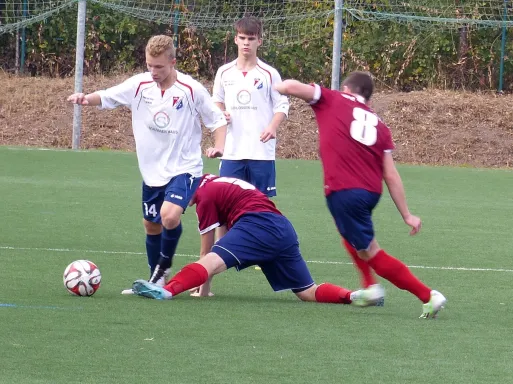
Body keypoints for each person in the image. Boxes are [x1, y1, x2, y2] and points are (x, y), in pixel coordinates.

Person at [274, 72, 446, 318]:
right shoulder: (380, 125)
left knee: (370, 252)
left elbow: (291, 86)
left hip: (345, 191)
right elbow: (391, 173)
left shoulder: (333, 98)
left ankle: (428, 296)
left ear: (346, 88)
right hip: (368, 192)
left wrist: (274, 85)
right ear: (368, 98)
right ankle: (369, 286)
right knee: (347, 230)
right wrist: (406, 214)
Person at [67, 35, 227, 294]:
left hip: (184, 167)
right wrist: (87, 99)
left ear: (173, 62)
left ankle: (163, 267)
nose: (153, 71)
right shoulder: (140, 85)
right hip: (152, 171)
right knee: (151, 225)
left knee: (169, 215)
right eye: (149, 65)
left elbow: (217, 120)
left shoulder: (190, 89)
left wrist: (219, 145)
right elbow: (109, 96)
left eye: (159, 67)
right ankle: (156, 282)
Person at [131, 174, 365, 305]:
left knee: (209, 261)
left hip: (256, 225)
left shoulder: (204, 196)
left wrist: (203, 291)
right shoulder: (216, 182)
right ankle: (353, 296)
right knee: (307, 292)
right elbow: (223, 240)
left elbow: (207, 253)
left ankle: (167, 291)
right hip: (282, 228)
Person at [212, 16, 289, 197]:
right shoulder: (224, 72)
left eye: (251, 38)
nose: (246, 43)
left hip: (261, 152)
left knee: (262, 207)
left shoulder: (269, 73)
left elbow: (282, 104)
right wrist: (221, 112)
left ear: (259, 41)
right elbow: (216, 99)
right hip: (232, 151)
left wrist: (272, 126)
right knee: (227, 204)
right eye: (243, 38)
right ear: (236, 39)